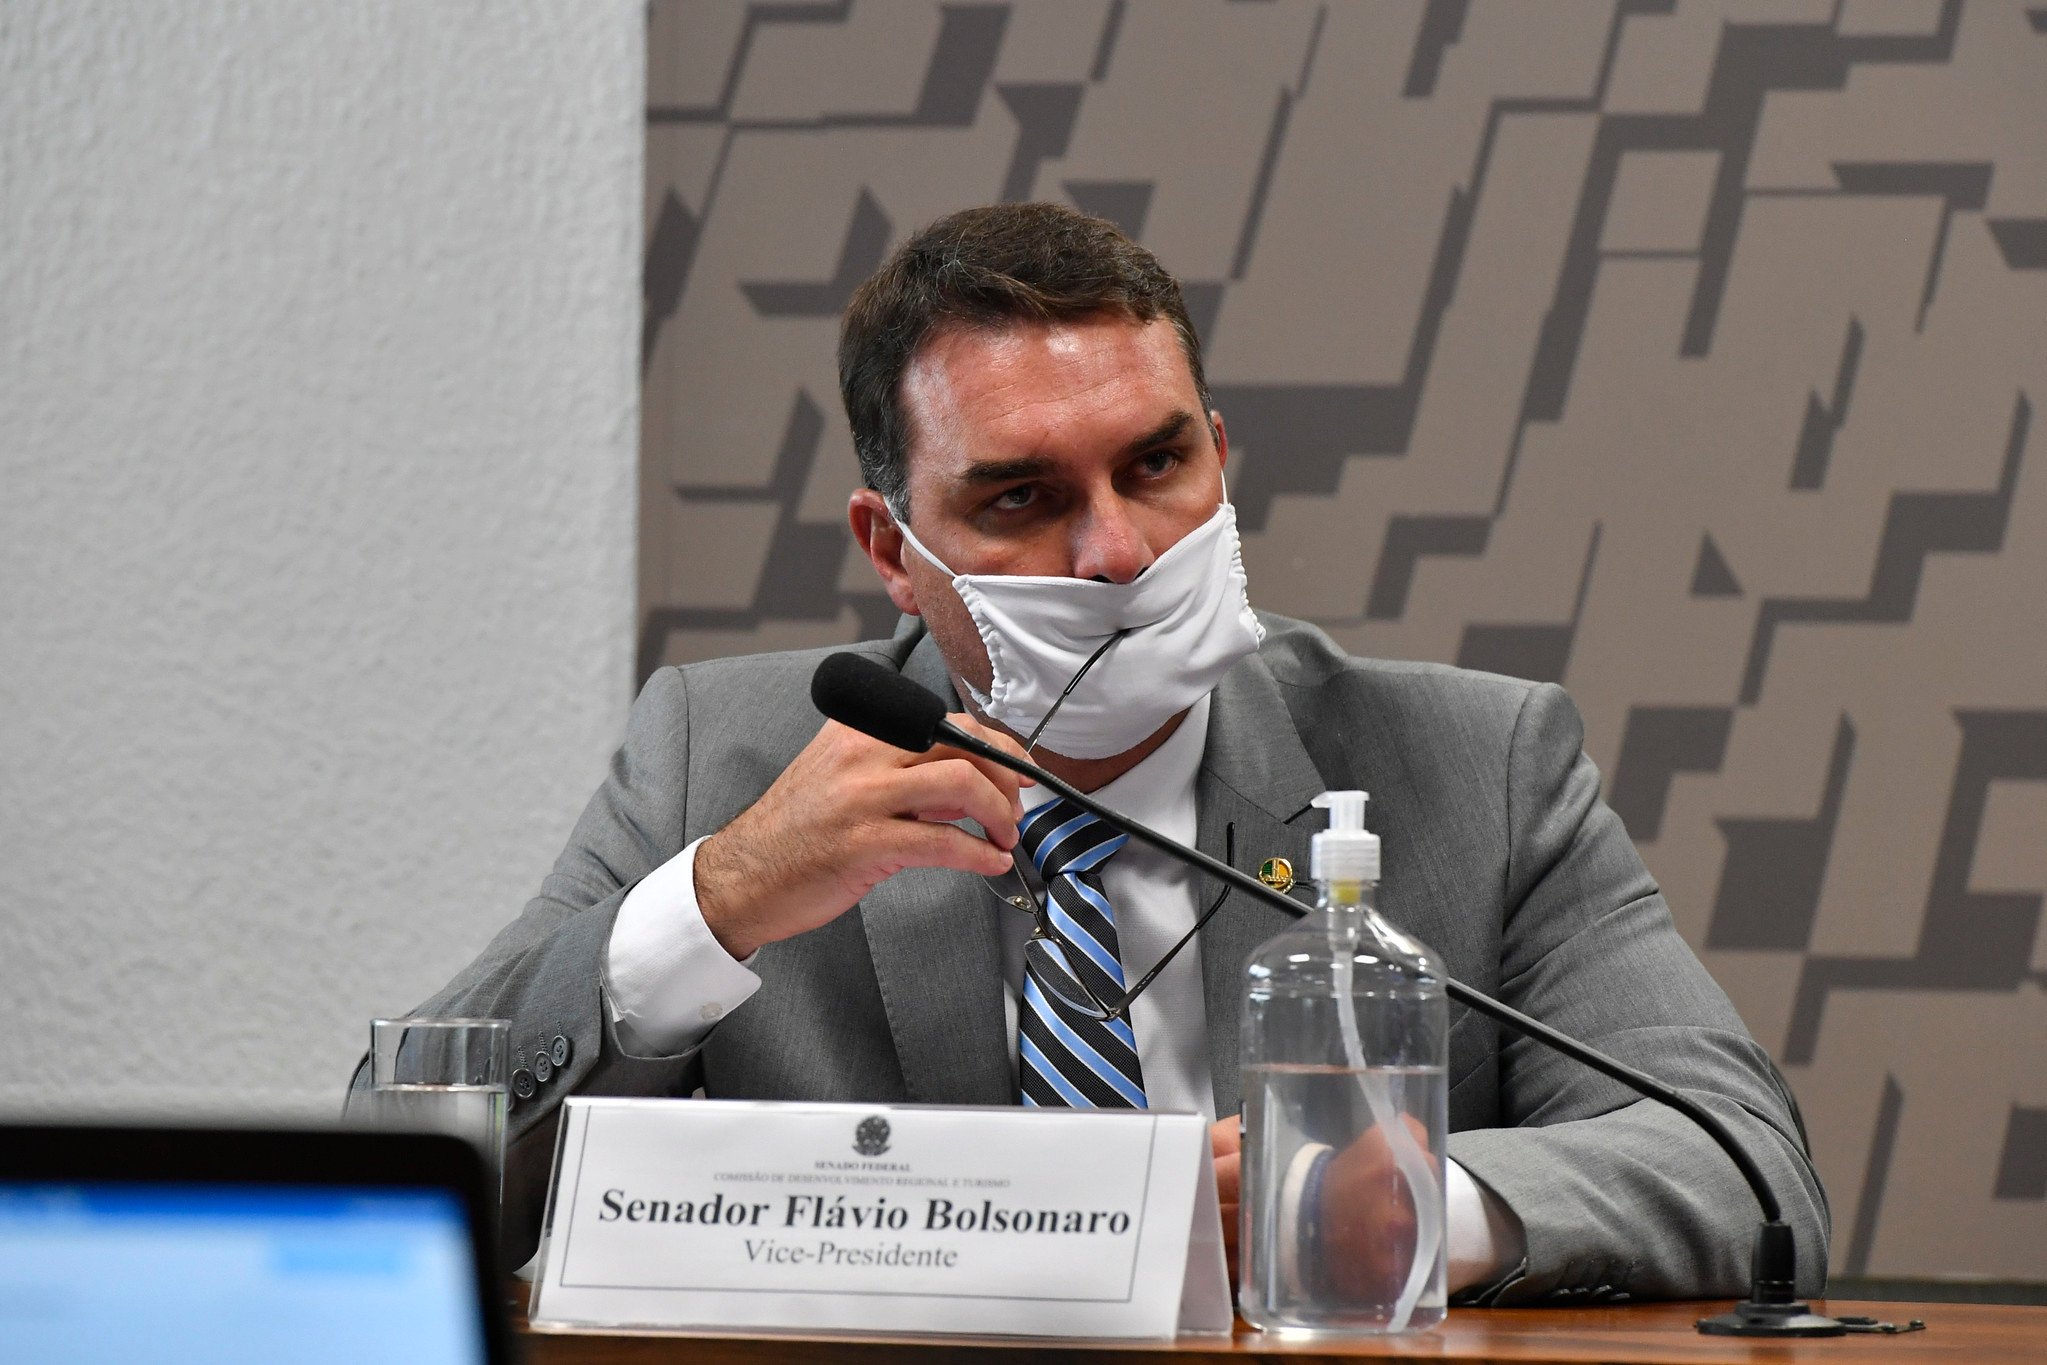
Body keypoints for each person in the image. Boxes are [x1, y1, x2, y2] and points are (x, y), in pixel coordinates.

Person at [364, 202, 1828, 1303]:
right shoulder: (723, 756)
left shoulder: (1474, 763)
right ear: (894, 546)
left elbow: (1747, 1165)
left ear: (1219, 454)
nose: (1121, 549)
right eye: (1019, 497)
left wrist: (1410, 1204)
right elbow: (391, 1174)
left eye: (1156, 463)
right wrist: (719, 897)